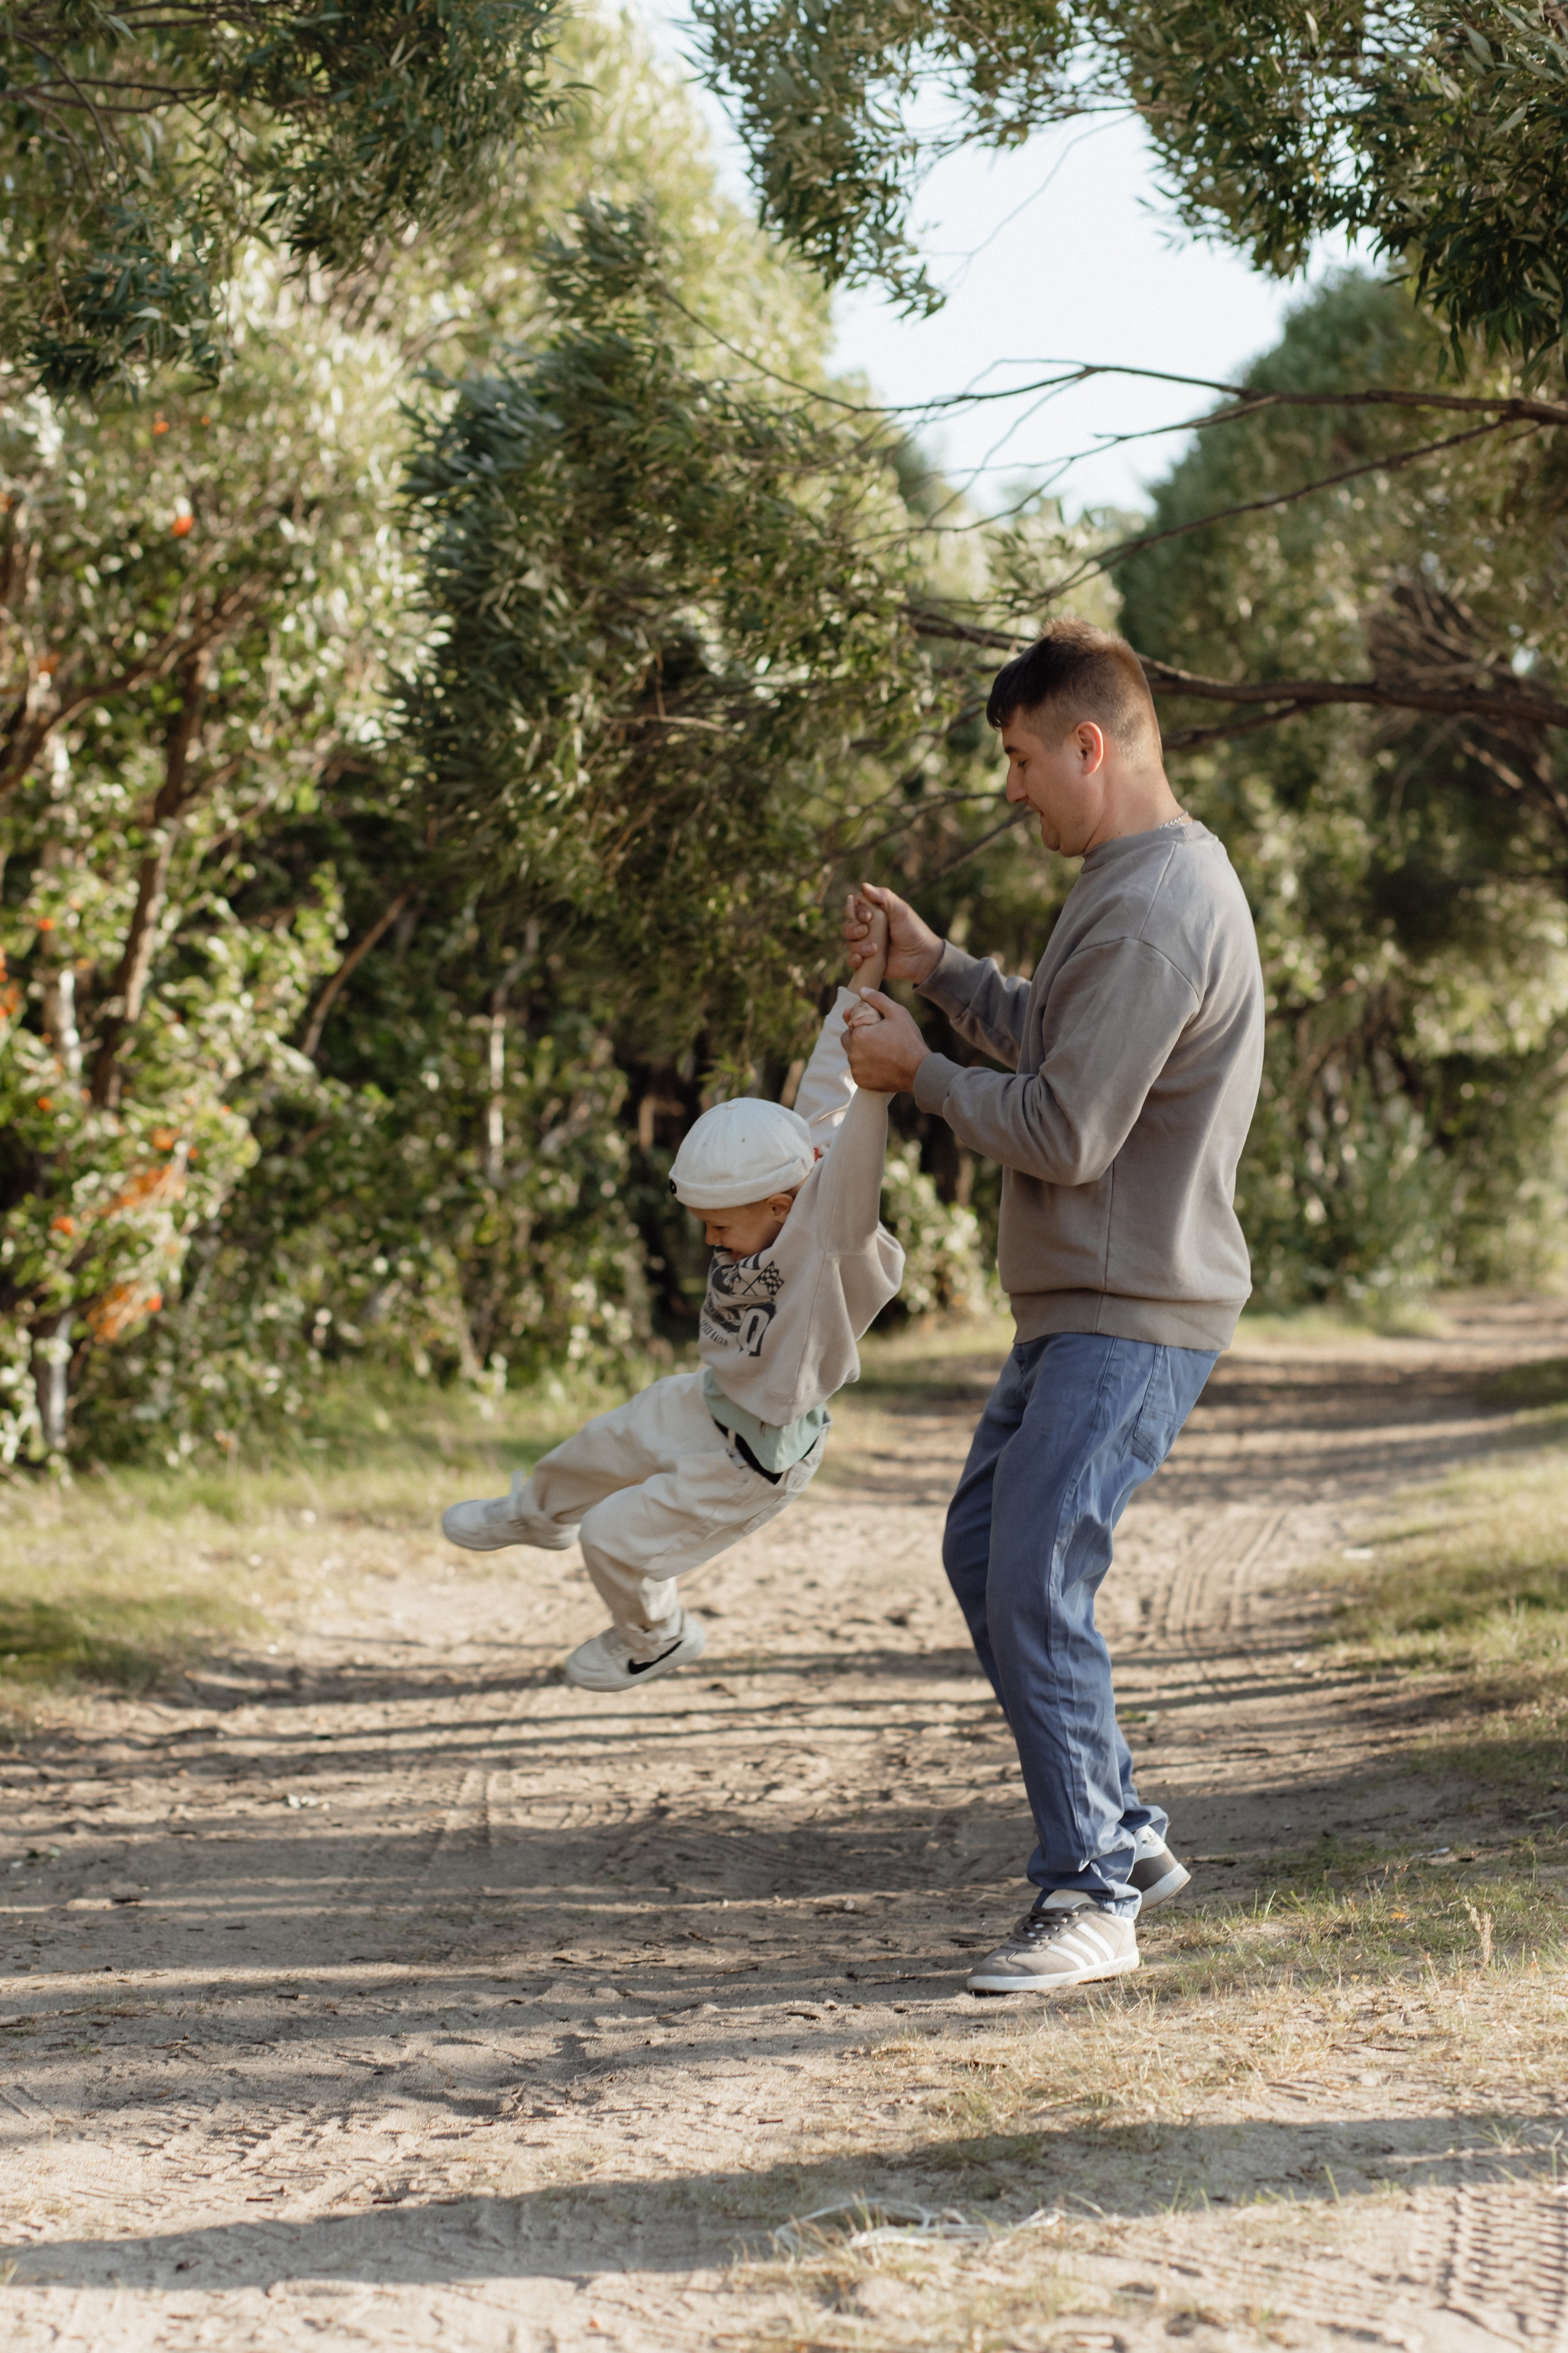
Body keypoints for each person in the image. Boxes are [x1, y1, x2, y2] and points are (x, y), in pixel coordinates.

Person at [842, 618, 1265, 1995]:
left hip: (1128, 1307)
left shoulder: (1150, 909)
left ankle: (1089, 1893)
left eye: (1024, 759)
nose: (1012, 787)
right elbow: (1062, 1041)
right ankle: (1120, 1830)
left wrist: (919, 1076)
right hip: (1083, 1297)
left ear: (1091, 745)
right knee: (986, 1551)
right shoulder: (1133, 878)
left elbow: (1068, 1130)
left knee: (1031, 1575)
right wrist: (941, 970)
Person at [441, 907, 905, 1693]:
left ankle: (655, 1636)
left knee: (615, 1539)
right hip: (710, 1399)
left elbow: (859, 1125)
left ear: (781, 1205)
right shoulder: (790, 1151)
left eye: (721, 1226)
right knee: (602, 1443)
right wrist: (866, 976)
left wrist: (883, 1091)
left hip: (757, 1456)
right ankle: (537, 1514)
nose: (711, 1242)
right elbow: (831, 1073)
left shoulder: (831, 1233)